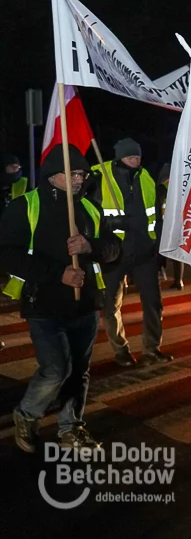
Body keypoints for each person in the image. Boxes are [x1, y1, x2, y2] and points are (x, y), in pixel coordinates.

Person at [1, 144, 121, 451]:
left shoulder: (90, 208)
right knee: (56, 369)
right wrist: (59, 274)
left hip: (85, 304)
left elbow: (113, 249)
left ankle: (71, 428)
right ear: (53, 175)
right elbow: (7, 255)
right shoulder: (24, 206)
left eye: (81, 173)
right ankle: (27, 414)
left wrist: (89, 246)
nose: (79, 179)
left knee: (79, 371)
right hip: (43, 304)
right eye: (72, 173)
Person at [93, 137, 170, 367]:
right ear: (119, 158)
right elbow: (89, 215)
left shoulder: (146, 178)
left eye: (137, 156)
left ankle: (152, 348)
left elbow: (156, 214)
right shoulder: (100, 177)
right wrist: (110, 223)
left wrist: (159, 247)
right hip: (114, 253)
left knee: (153, 303)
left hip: (144, 252)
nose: (135, 160)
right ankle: (121, 350)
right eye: (130, 157)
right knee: (111, 305)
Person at [156, 162, 184, 290]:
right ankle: (179, 281)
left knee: (160, 253)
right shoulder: (179, 188)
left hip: (166, 226)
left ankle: (158, 278)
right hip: (179, 226)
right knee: (178, 255)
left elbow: (157, 208)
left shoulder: (162, 189)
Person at [1, 154, 27, 221]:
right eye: (12, 167)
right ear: (6, 167)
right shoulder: (2, 183)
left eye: (17, 167)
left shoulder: (24, 182)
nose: (15, 169)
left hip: (18, 220)